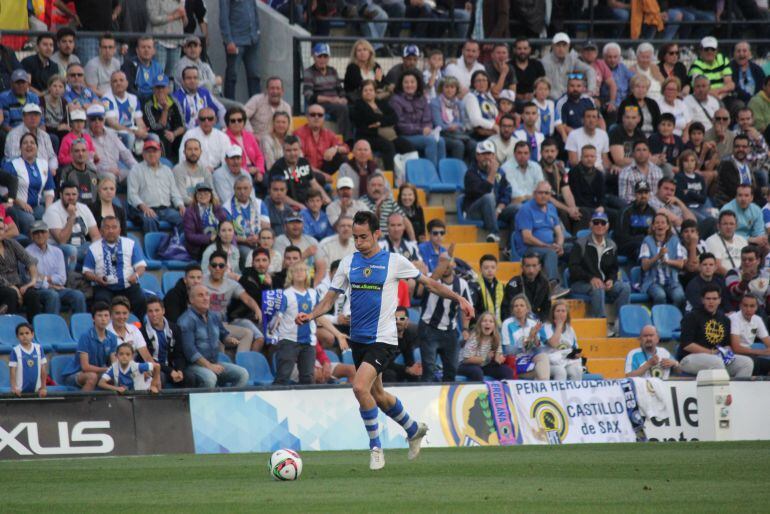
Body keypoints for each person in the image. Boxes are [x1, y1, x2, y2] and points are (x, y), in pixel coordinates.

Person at [296, 211, 473, 470]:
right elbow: (331, 298)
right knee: (377, 395)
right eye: (355, 237)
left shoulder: (394, 261)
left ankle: (376, 448)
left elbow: (430, 284)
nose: (359, 242)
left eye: (364, 237)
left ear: (377, 234)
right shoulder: (347, 263)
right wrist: (311, 314)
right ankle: (414, 429)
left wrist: (459, 299)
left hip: (385, 339)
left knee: (359, 388)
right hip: (359, 340)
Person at [178, 284, 250, 387]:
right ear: (191, 300)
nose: (205, 298)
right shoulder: (186, 320)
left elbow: (223, 334)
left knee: (243, 374)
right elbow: (190, 351)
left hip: (214, 362)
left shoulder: (214, 316)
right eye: (200, 295)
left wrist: (229, 339)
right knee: (210, 378)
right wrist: (209, 366)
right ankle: (204, 403)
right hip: (193, 365)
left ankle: (231, 401)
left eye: (207, 295)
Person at [416, 253, 471, 382]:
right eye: (441, 262)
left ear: (454, 264)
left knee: (451, 370)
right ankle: (427, 399)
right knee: (428, 369)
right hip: (429, 329)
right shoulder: (429, 278)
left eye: (447, 261)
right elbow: (419, 292)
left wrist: (465, 329)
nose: (445, 265)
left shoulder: (462, 284)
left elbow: (466, 307)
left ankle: (447, 400)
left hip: (450, 331)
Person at [678, 284, 753, 378]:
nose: (711, 302)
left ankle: (735, 391)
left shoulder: (724, 319)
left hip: (717, 358)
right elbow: (687, 344)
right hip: (689, 358)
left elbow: (726, 344)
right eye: (708, 298)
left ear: (719, 300)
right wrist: (711, 353)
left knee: (747, 363)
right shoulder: (692, 316)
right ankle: (723, 392)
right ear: (702, 300)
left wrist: (726, 350)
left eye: (714, 299)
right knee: (716, 362)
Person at [568, 211, 630, 323]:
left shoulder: (612, 245)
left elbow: (614, 268)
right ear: (590, 225)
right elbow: (573, 268)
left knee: (625, 288)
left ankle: (620, 322)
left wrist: (611, 279)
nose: (599, 225)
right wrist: (591, 278)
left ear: (607, 226)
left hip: (603, 283)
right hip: (580, 283)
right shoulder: (580, 244)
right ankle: (600, 323)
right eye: (596, 222)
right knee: (598, 287)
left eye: (603, 223)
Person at [82, 216, 147, 319]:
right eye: (107, 228)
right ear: (101, 230)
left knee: (141, 299)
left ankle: (141, 328)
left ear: (120, 230)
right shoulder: (93, 248)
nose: (111, 230)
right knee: (101, 302)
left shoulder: (131, 244)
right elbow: (86, 272)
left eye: (114, 227)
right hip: (104, 287)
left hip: (128, 285)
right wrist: (97, 279)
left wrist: (136, 275)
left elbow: (141, 266)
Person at [204, 250, 264, 352]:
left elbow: (247, 299)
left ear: (226, 268)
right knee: (218, 342)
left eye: (221, 266)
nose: (217, 268)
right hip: (204, 323)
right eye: (214, 265)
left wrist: (257, 309)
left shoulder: (231, 284)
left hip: (223, 324)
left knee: (248, 333)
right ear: (209, 267)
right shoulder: (201, 281)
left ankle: (242, 364)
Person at [273, 261, 321, 385]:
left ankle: (306, 404)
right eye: (296, 270)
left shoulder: (314, 293)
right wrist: (274, 334)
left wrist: (336, 333)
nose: (299, 272)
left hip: (308, 342)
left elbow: (319, 317)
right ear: (291, 275)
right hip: (289, 340)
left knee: (308, 378)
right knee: (283, 376)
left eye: (302, 270)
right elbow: (278, 317)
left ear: (307, 274)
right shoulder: (286, 294)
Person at [27, 220, 87, 314]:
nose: (40, 235)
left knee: (78, 295)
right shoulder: (26, 253)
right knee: (53, 295)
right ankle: (52, 327)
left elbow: (62, 278)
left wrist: (44, 278)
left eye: (42, 231)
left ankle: (81, 327)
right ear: (31, 236)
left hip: (57, 288)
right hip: (38, 290)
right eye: (36, 232)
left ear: (48, 234)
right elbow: (30, 279)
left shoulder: (57, 252)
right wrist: (50, 284)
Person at [389, 70, 446, 168]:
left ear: (417, 83)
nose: (409, 85)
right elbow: (400, 125)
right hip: (405, 136)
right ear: (401, 84)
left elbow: (428, 119)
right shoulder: (395, 100)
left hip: (422, 134)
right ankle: (431, 173)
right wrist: (421, 130)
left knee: (440, 141)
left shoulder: (422, 98)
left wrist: (427, 128)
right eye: (406, 82)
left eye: (412, 82)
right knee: (431, 141)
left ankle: (442, 172)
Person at [128, 139, 185, 232]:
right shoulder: (135, 170)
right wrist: (144, 207)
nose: (152, 154)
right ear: (143, 154)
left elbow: (174, 192)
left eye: (155, 151)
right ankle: (155, 246)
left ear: (160, 153)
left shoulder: (167, 170)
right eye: (148, 152)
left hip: (166, 210)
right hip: (146, 209)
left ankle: (176, 245)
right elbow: (132, 194)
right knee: (150, 220)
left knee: (184, 218)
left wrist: (180, 205)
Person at [3, 133, 55, 236]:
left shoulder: (43, 164)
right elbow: (4, 192)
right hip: (16, 206)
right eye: (25, 143)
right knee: (29, 219)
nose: (29, 145)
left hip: (37, 206)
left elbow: (49, 190)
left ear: (37, 147)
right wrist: (21, 203)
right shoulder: (11, 165)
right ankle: (29, 246)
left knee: (50, 215)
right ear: (20, 147)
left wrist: (49, 208)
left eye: (32, 143)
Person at [42, 181, 100, 271]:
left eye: (74, 194)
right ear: (61, 195)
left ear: (78, 195)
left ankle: (93, 278)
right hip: (58, 249)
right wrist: (72, 216)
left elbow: (96, 236)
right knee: (71, 250)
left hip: (81, 247)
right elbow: (61, 240)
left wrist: (94, 248)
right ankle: (69, 280)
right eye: (67, 194)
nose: (71, 197)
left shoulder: (83, 208)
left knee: (99, 246)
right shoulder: (52, 210)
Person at [351, 79, 407, 171]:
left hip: (388, 134)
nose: (368, 92)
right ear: (361, 93)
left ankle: (409, 174)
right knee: (388, 146)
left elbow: (394, 117)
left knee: (407, 145)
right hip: (369, 136)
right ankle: (391, 176)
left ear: (374, 92)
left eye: (371, 90)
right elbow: (371, 117)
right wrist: (385, 120)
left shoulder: (381, 103)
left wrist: (380, 123)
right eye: (365, 90)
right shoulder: (359, 105)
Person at [512, 181, 563, 281]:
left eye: (546, 193)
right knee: (551, 253)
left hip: (549, 246)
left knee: (574, 248)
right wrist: (548, 246)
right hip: (529, 248)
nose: (543, 196)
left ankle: (575, 284)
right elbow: (527, 238)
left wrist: (559, 245)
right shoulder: (526, 209)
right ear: (534, 194)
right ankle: (552, 284)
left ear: (550, 195)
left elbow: (559, 232)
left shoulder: (551, 208)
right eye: (540, 193)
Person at [61, 302, 118, 390]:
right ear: (93, 318)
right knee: (92, 376)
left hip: (98, 372)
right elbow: (85, 367)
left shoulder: (112, 337)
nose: (103, 319)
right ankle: (83, 404)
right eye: (99, 315)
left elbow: (114, 363)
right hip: (77, 374)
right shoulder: (85, 337)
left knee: (117, 376)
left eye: (106, 315)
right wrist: (106, 369)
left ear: (110, 318)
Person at [463, 140, 510, 242]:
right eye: (483, 154)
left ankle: (511, 247)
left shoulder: (500, 172)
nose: (487, 157)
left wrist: (499, 209)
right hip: (474, 211)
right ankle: (494, 232)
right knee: (488, 197)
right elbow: (483, 192)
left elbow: (507, 192)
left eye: (489, 154)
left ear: (494, 156)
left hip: (495, 210)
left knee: (517, 209)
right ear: (477, 156)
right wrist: (492, 173)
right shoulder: (471, 173)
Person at [302, 43, 351, 140]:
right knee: (342, 109)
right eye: (319, 56)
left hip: (336, 102)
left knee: (353, 107)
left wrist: (343, 98)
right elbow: (309, 95)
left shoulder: (332, 71)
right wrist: (331, 99)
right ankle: (346, 140)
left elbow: (339, 89)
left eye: (325, 56)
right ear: (314, 57)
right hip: (320, 103)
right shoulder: (309, 72)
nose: (322, 59)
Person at [268, 135, 330, 208]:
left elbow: (314, 184)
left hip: (309, 202)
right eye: (288, 150)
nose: (292, 153)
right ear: (283, 151)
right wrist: (300, 206)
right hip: (289, 206)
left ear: (300, 150)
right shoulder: (277, 168)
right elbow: (279, 195)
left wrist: (326, 198)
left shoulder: (304, 162)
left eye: (295, 150)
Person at [640, 213, 686, 308]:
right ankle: (659, 320)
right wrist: (658, 256)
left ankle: (676, 320)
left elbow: (681, 264)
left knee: (680, 296)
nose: (660, 225)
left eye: (663, 222)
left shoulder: (674, 240)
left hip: (672, 281)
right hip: (653, 282)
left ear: (668, 226)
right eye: (657, 223)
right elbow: (644, 266)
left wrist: (668, 261)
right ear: (653, 226)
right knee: (660, 296)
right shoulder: (647, 241)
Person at [3, 103, 58, 177]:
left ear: (40, 117)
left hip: (45, 172)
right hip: (22, 173)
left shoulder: (45, 135)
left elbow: (52, 156)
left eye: (36, 115)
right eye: (30, 115)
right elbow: (13, 158)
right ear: (23, 117)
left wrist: (52, 168)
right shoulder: (14, 134)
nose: (33, 118)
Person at [501, 294, 549, 379]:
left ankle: (544, 387)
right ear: (512, 310)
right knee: (541, 373)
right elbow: (507, 350)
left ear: (527, 309)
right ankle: (544, 389)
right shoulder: (507, 324)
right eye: (516, 306)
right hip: (515, 361)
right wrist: (529, 339)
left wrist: (535, 338)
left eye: (522, 305)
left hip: (530, 359)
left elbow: (540, 349)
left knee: (544, 357)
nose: (519, 308)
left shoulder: (533, 323)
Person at [220, 0, 261, 99]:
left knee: (254, 75)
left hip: (252, 40)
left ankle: (256, 106)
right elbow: (223, 17)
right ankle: (231, 109)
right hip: (236, 41)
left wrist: (257, 32)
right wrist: (228, 40)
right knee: (232, 76)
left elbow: (254, 10)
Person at [457, 311, 513, 381]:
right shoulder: (474, 337)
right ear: (480, 324)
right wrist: (485, 358)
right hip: (464, 365)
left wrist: (499, 358)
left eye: (491, 321)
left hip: (483, 365)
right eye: (484, 321)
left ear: (494, 326)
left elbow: (498, 355)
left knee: (507, 371)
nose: (487, 323)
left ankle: (502, 391)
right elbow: (466, 359)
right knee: (476, 372)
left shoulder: (496, 338)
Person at [86, 104, 137, 181]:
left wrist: (137, 168)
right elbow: (88, 163)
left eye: (100, 119)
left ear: (104, 120)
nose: (97, 122)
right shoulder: (84, 137)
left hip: (117, 171)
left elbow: (125, 153)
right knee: (109, 176)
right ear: (88, 121)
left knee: (136, 176)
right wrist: (107, 169)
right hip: (98, 173)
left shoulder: (111, 133)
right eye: (93, 119)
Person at [102, 70, 148, 152]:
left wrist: (142, 131)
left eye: (121, 80)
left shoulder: (133, 98)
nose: (118, 83)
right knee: (130, 137)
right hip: (115, 132)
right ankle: (129, 163)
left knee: (154, 137)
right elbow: (112, 124)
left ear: (126, 83)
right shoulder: (106, 99)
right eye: (115, 81)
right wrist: (134, 132)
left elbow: (139, 121)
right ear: (111, 84)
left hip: (132, 130)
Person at [142, 75, 186, 159]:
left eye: (163, 87)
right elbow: (155, 127)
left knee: (184, 136)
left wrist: (173, 134)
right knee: (163, 138)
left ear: (168, 89)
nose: (160, 90)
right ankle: (166, 163)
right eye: (158, 88)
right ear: (153, 90)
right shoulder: (148, 104)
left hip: (173, 132)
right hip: (157, 134)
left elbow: (183, 125)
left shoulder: (174, 101)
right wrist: (165, 110)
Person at [361, 173, 414, 239]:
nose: (376, 188)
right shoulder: (361, 203)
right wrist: (378, 205)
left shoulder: (390, 201)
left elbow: (406, 222)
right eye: (373, 185)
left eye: (380, 185)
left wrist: (413, 243)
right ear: (367, 187)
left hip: (390, 243)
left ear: (384, 187)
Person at [729, 293, 770, 376]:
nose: (748, 309)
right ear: (740, 306)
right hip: (733, 355)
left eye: (752, 306)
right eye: (745, 305)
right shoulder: (734, 318)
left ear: (756, 307)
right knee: (759, 364)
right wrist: (762, 352)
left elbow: (768, 342)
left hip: (749, 353)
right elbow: (736, 348)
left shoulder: (757, 319)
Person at [184, 183, 227, 261]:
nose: (203, 196)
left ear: (211, 195)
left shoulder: (217, 208)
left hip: (219, 241)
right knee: (217, 251)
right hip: (199, 247)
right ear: (195, 196)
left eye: (206, 193)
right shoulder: (190, 211)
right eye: (200, 194)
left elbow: (227, 226)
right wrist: (209, 238)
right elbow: (189, 236)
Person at [178, 108, 230, 172]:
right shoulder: (189, 135)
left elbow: (227, 160)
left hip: (218, 173)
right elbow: (183, 159)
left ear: (215, 120)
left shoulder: (223, 137)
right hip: (195, 172)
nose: (206, 121)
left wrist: (216, 171)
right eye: (203, 119)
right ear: (198, 121)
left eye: (210, 119)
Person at [714, 135, 759, 209]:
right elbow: (733, 190)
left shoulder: (748, 165)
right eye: (737, 146)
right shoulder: (726, 164)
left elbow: (755, 187)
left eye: (744, 147)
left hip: (747, 203)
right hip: (729, 205)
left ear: (748, 149)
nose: (740, 149)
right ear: (733, 148)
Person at [541, 300, 583, 380]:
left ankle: (573, 392)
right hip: (550, 362)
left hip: (566, 360)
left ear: (567, 314)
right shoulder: (546, 327)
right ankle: (559, 393)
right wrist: (559, 326)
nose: (560, 313)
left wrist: (576, 354)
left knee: (577, 371)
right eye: (558, 311)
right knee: (561, 372)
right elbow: (553, 344)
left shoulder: (570, 329)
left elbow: (576, 349)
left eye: (563, 311)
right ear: (553, 313)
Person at [107, 296, 155, 364]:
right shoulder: (105, 333)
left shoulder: (134, 329)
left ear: (129, 314)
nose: (121, 317)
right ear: (111, 315)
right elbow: (114, 364)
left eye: (125, 313)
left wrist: (153, 369)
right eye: (117, 313)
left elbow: (147, 357)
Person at [724, 245, 770, 313]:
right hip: (738, 312)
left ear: (758, 261)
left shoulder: (766, 276)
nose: (746, 262)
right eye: (744, 259)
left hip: (761, 313)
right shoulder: (733, 273)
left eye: (750, 260)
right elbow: (735, 293)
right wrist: (745, 281)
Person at [722, 184, 767, 252]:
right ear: (736, 197)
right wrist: (751, 239)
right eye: (740, 195)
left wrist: (760, 239)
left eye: (746, 195)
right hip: (730, 242)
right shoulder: (726, 210)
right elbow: (726, 234)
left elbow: (759, 232)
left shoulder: (756, 210)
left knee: (766, 247)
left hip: (752, 243)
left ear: (752, 197)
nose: (743, 199)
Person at [225, 106, 265, 183]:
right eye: (233, 121)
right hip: (238, 173)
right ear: (228, 123)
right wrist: (246, 170)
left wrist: (259, 171)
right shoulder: (224, 138)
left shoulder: (249, 136)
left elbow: (259, 156)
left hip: (255, 169)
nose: (236, 123)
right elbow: (228, 162)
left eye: (239, 120)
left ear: (244, 122)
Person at [688, 37, 734, 102]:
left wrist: (718, 92)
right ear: (701, 51)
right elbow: (700, 90)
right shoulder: (696, 65)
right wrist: (720, 93)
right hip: (705, 99)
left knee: (739, 105)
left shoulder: (722, 59)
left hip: (724, 95)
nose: (710, 52)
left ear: (717, 51)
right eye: (706, 49)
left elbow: (731, 85)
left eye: (712, 49)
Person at [619, 140, 664, 204]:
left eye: (644, 150)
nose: (641, 153)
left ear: (649, 153)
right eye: (638, 150)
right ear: (633, 154)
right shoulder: (626, 173)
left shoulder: (658, 171)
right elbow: (624, 199)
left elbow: (661, 195)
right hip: (636, 209)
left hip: (658, 208)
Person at [9, 323, 48, 397]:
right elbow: (12, 371)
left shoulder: (39, 348)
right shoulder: (15, 350)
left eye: (27, 333)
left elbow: (43, 369)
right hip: (20, 391)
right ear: (17, 336)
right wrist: (14, 387)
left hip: (37, 390)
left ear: (32, 334)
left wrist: (43, 387)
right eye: (21, 334)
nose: (24, 336)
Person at [705, 210, 748, 275]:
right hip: (723, 279)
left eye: (731, 224)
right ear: (718, 226)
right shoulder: (711, 241)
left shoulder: (742, 240)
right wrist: (734, 277)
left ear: (736, 226)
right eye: (725, 224)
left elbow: (748, 261)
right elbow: (717, 267)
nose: (729, 227)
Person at [462, 70, 499, 141]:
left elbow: (495, 116)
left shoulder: (488, 97)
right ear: (473, 83)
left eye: (484, 80)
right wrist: (493, 126)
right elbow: (475, 120)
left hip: (490, 132)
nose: (482, 83)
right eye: (478, 81)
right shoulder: (471, 97)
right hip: (475, 134)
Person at [83, 33, 119, 98]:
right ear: (99, 49)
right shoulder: (92, 65)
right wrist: (109, 97)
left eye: (110, 47)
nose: (107, 50)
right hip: (98, 99)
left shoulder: (116, 63)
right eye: (104, 47)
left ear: (115, 50)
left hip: (115, 96)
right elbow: (91, 90)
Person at [512, 37, 546, 103]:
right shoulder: (509, 66)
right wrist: (519, 96)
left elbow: (543, 84)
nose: (522, 51)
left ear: (530, 49)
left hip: (536, 100)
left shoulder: (537, 64)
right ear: (514, 50)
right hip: (514, 101)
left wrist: (534, 94)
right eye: (519, 48)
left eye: (525, 48)